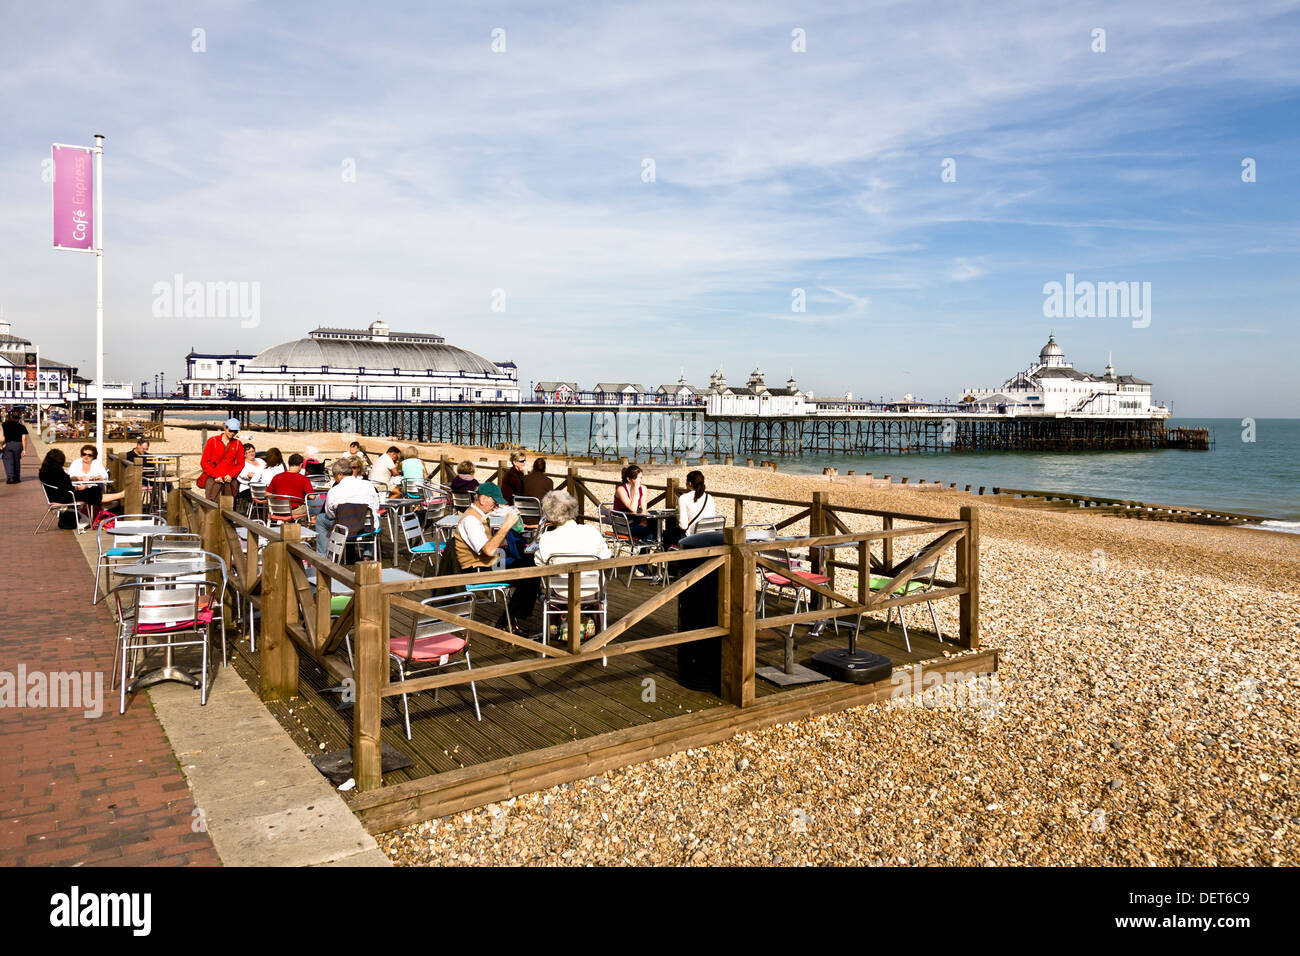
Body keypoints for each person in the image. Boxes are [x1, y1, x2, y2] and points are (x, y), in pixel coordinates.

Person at [454, 481, 538, 634]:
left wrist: (507, 513)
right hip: (476, 570)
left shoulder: (479, 514)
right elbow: (487, 550)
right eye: (495, 502)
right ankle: (507, 622)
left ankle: (511, 619)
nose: (496, 506)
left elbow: (498, 512)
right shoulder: (470, 520)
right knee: (530, 576)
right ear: (483, 499)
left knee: (530, 563)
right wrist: (506, 526)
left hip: (485, 563)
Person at [316, 458, 381, 553]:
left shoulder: (334, 490)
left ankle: (324, 555)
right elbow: (375, 507)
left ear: (339, 475)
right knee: (375, 518)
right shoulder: (369, 485)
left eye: (334, 476)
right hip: (366, 526)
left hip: (344, 527)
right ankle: (367, 555)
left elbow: (330, 514)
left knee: (320, 519)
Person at [40, 448, 122, 518]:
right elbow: (69, 488)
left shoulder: (43, 472)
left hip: (54, 497)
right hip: (65, 497)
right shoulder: (58, 472)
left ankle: (106, 505)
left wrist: (76, 479)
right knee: (94, 491)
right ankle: (118, 497)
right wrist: (80, 488)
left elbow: (60, 483)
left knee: (93, 491)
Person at [667, 469, 717, 547]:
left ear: (689, 483)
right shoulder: (709, 497)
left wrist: (678, 514)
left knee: (667, 536)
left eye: (686, 482)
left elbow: (683, 526)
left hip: (694, 539)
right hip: (711, 536)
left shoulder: (683, 498)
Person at [201, 418, 245, 502]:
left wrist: (231, 475)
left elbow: (241, 464)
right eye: (231, 430)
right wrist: (215, 475)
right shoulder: (212, 441)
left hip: (230, 480)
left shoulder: (238, 444)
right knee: (211, 506)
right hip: (214, 479)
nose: (233, 433)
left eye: (235, 432)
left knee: (228, 507)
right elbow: (204, 462)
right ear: (225, 428)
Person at [612, 463, 653, 540]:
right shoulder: (621, 490)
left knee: (655, 524)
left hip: (636, 522)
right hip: (622, 526)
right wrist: (636, 490)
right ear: (629, 479)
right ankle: (645, 551)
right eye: (639, 478)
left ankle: (647, 550)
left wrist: (644, 520)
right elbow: (633, 509)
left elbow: (644, 509)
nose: (641, 480)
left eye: (641, 478)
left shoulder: (643, 488)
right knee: (650, 531)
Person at [267, 453, 314, 518]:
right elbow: (312, 497)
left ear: (289, 464)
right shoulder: (304, 479)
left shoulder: (277, 477)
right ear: (301, 465)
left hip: (276, 510)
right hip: (294, 511)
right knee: (313, 509)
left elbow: (267, 494)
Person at [2, 409, 30, 483]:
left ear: (11, 416)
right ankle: (17, 478)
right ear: (19, 417)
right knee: (16, 460)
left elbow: (0, 435)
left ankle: (10, 477)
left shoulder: (4, 425)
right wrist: (24, 449)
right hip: (18, 445)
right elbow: (24, 438)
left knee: (8, 461)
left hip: (7, 444)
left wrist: (1, 444)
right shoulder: (21, 427)